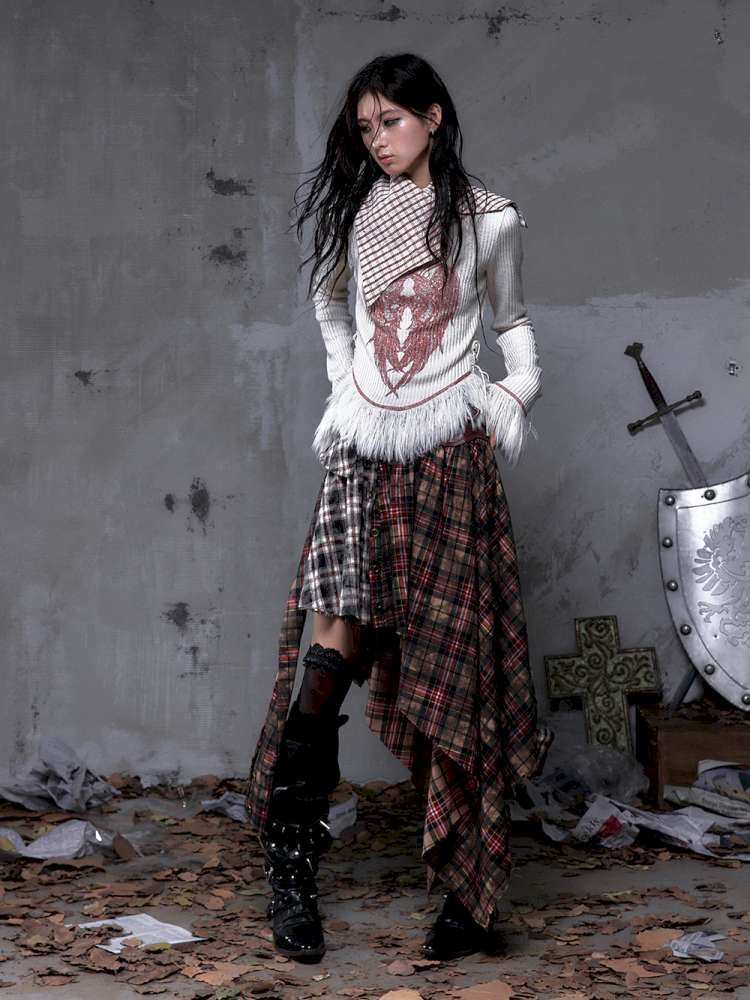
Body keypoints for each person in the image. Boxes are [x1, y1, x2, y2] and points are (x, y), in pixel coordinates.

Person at [245, 52, 553, 965]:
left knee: (453, 666)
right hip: (362, 455)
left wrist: (511, 396)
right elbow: (329, 307)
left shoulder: (488, 219)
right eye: (365, 127)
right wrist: (346, 390)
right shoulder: (356, 215)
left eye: (391, 121)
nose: (377, 141)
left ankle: (466, 893)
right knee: (327, 661)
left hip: (449, 456)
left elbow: (513, 323)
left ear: (434, 117)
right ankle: (290, 869)